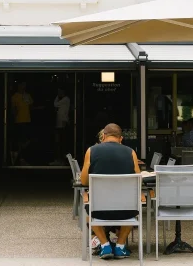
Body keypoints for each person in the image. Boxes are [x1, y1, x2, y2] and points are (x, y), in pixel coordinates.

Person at [80, 123, 141, 260]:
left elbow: (84, 181)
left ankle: (105, 244)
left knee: (88, 210)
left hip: (99, 210)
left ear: (104, 136)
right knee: (135, 206)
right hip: (126, 211)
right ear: (121, 138)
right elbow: (138, 180)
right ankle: (120, 247)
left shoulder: (91, 151)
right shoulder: (131, 152)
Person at [10, 82, 33, 165]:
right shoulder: (14, 97)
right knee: (20, 140)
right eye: (22, 85)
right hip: (19, 121)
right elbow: (13, 109)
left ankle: (20, 156)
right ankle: (20, 157)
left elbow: (31, 106)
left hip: (27, 120)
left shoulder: (27, 95)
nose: (23, 87)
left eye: (24, 85)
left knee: (27, 139)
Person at [51, 87, 71, 165]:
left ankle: (62, 160)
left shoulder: (65, 99)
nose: (59, 93)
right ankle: (59, 159)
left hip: (63, 122)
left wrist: (57, 96)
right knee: (59, 141)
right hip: (60, 122)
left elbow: (55, 104)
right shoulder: (64, 100)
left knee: (62, 141)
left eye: (59, 91)